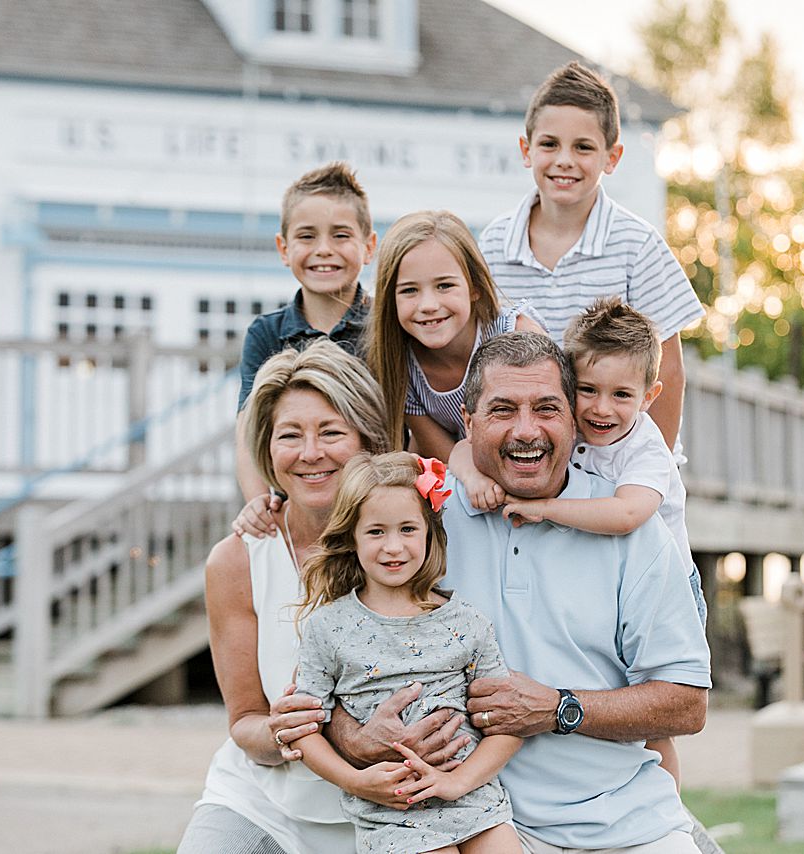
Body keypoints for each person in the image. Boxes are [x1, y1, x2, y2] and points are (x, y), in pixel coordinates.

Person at [324, 332, 712, 852]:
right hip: (472, 825)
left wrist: (558, 707)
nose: (526, 431)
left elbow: (687, 704)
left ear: (573, 420)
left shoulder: (632, 530)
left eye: (547, 408)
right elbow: (331, 670)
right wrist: (357, 738)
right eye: (503, 409)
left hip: (627, 826)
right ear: (469, 421)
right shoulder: (417, 525)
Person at [180, 341, 462, 854]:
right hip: (267, 800)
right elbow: (246, 725)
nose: (311, 453)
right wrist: (294, 733)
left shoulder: (419, 544)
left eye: (331, 432)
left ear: (367, 441)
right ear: (268, 448)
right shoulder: (238, 561)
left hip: (398, 808)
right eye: (290, 435)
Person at [454, 298, 708, 786]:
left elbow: (628, 514)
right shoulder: (580, 430)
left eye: (620, 395)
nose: (600, 408)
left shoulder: (644, 451)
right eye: (587, 392)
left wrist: (546, 511)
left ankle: (667, 803)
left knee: (655, 730)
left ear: (648, 396)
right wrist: (467, 478)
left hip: (669, 574)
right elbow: (463, 450)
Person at [292, 451, 521, 852]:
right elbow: (306, 727)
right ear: (352, 537)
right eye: (376, 532)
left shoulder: (467, 622)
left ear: (430, 533)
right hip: (393, 813)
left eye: (408, 529)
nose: (393, 547)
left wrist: (457, 782)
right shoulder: (328, 628)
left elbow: (508, 724)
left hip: (476, 803)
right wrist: (354, 780)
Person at [478, 61, 705, 452]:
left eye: (583, 147)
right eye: (550, 144)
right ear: (526, 150)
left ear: (611, 157)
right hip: (529, 455)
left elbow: (668, 370)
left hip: (619, 461)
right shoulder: (493, 245)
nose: (564, 159)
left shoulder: (637, 245)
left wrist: (656, 471)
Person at [235, 162, 377, 507]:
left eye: (341, 235)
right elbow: (247, 431)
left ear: (369, 246)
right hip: (296, 501)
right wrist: (258, 502)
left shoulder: (384, 324)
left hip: (371, 501)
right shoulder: (265, 334)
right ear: (284, 248)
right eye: (307, 236)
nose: (324, 249)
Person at [364, 210, 542, 460]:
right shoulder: (400, 363)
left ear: (475, 288)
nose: (428, 304)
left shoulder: (515, 333)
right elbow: (445, 455)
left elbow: (552, 420)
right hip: (462, 473)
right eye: (409, 290)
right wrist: (472, 478)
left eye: (444, 286)